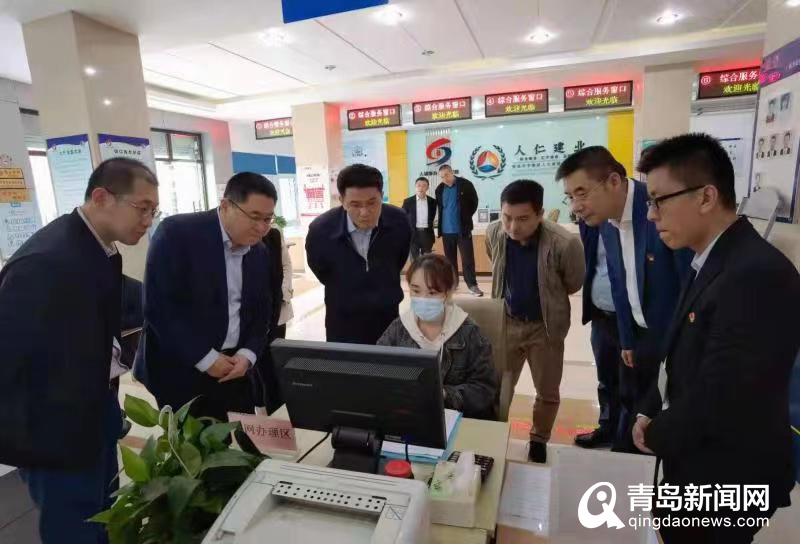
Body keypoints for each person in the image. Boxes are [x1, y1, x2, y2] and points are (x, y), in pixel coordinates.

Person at [634, 133, 800, 543]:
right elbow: (680, 353)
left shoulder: (756, 274)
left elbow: (724, 394)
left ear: (706, 197)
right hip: (695, 457)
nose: (651, 215)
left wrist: (656, 433)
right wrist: (649, 410)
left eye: (659, 200)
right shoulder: (711, 257)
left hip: (727, 474)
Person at [0, 158, 158, 543]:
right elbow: (11, 359)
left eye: (153, 211)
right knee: (74, 528)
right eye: (142, 208)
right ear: (101, 197)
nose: (147, 221)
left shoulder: (98, 247)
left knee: (102, 517)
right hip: (56, 432)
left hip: (92, 414)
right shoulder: (46, 262)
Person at [559, 146, 692, 453]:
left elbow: (688, 285)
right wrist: (627, 338)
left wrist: (679, 348)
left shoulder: (658, 208)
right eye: (570, 197)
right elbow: (619, 281)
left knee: (660, 417)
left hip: (672, 337)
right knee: (630, 402)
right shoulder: (605, 219)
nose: (576, 207)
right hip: (634, 331)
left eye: (582, 193)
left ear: (614, 181)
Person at [135, 172, 274, 421]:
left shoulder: (259, 251)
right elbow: (159, 309)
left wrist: (248, 354)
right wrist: (206, 359)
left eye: (267, 219)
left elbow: (262, 310)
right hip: (182, 369)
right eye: (254, 217)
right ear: (226, 205)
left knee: (236, 439)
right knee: (193, 442)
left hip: (235, 370)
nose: (262, 228)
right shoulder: (177, 235)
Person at [485, 180, 585, 463]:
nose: (513, 227)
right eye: (507, 217)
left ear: (540, 214)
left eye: (523, 219)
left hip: (545, 328)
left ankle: (539, 438)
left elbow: (573, 282)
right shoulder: (495, 232)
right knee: (498, 386)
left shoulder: (565, 243)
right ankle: (493, 434)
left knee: (547, 390)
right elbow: (495, 262)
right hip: (507, 323)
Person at [377, 254, 497, 419]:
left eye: (432, 292)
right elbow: (377, 372)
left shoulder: (469, 333)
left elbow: (485, 389)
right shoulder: (399, 329)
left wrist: (445, 395)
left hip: (458, 420)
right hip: (408, 417)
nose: (422, 299)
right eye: (416, 290)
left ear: (447, 293)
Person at [306, 163, 411, 344]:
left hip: (387, 317)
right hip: (342, 321)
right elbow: (321, 271)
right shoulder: (321, 230)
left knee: (389, 361)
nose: (364, 213)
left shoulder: (399, 221)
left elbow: (398, 260)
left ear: (381, 195)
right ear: (342, 200)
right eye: (355, 204)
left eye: (372, 202)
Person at [573, 220, 621, 449]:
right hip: (601, 314)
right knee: (606, 376)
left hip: (634, 318)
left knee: (634, 380)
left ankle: (629, 435)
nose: (577, 207)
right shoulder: (590, 224)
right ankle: (607, 428)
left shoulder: (638, 221)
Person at [255, 226, 294, 413]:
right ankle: (260, 409)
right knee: (255, 368)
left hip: (277, 312)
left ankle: (276, 412)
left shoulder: (274, 234)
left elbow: (286, 265)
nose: (263, 223)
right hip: (252, 316)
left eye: (268, 218)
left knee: (274, 364)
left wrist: (282, 295)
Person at [436, 164, 483, 297]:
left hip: (463, 230)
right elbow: (441, 208)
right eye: (441, 177)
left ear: (452, 172)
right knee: (450, 261)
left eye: (446, 175)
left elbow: (474, 202)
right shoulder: (439, 189)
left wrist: (465, 216)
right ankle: (453, 283)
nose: (444, 179)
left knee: (467, 259)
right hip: (446, 231)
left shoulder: (465, 185)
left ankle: (472, 285)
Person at [402, 176, 437, 259]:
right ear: (415, 187)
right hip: (413, 235)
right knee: (415, 261)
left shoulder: (432, 202)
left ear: (427, 188)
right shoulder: (408, 201)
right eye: (418, 185)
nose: (421, 188)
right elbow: (403, 217)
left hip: (427, 234)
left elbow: (432, 217)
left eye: (424, 185)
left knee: (427, 260)